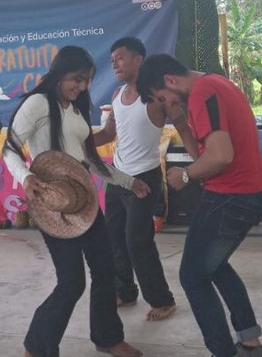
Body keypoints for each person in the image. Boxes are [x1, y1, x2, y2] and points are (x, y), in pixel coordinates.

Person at [3, 45, 149, 357]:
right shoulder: (38, 103)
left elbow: (92, 160)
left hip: (84, 200)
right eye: (77, 79)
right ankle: (37, 348)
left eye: (86, 81)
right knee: (71, 283)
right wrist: (25, 177)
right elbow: (10, 148)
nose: (82, 87)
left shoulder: (76, 108)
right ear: (59, 73)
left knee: (105, 270)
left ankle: (108, 338)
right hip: (54, 205)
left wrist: (128, 181)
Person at [135, 54, 262, 357]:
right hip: (244, 194)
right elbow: (205, 155)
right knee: (215, 266)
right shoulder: (217, 83)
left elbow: (220, 156)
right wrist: (179, 118)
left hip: (229, 197)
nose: (166, 103)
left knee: (192, 277)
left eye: (162, 97)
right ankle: (250, 341)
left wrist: (183, 175)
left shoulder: (203, 91)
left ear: (169, 80)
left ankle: (224, 352)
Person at [93, 37, 197, 321]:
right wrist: (78, 139)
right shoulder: (116, 95)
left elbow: (184, 127)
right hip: (117, 177)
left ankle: (162, 299)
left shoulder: (156, 96)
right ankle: (124, 291)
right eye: (112, 59)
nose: (114, 63)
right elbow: (108, 135)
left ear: (139, 59)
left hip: (145, 178)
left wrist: (199, 161)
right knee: (114, 237)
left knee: (137, 240)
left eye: (121, 58)